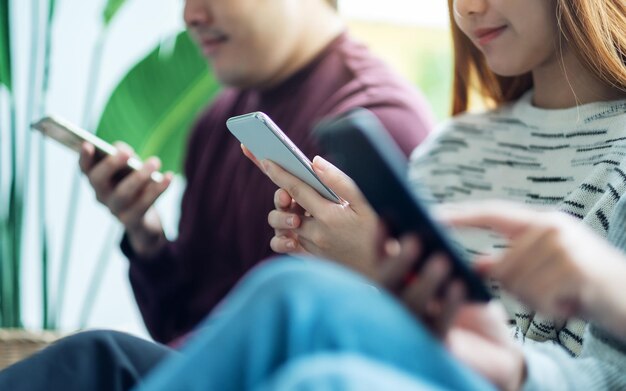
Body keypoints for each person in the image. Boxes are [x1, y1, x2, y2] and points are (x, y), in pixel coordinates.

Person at [261, 0, 626, 356]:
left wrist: (385, 272)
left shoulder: (617, 168)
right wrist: (347, 266)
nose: (465, 8)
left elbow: (583, 376)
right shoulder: (447, 149)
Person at [78, 0, 434, 343]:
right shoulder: (218, 124)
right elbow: (182, 323)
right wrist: (147, 236)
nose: (191, 15)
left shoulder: (373, 124)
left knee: (95, 356)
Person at [3, 197, 626, 391]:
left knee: (319, 364)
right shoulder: (454, 140)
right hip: (502, 365)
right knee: (97, 354)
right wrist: (147, 237)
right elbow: (191, 320)